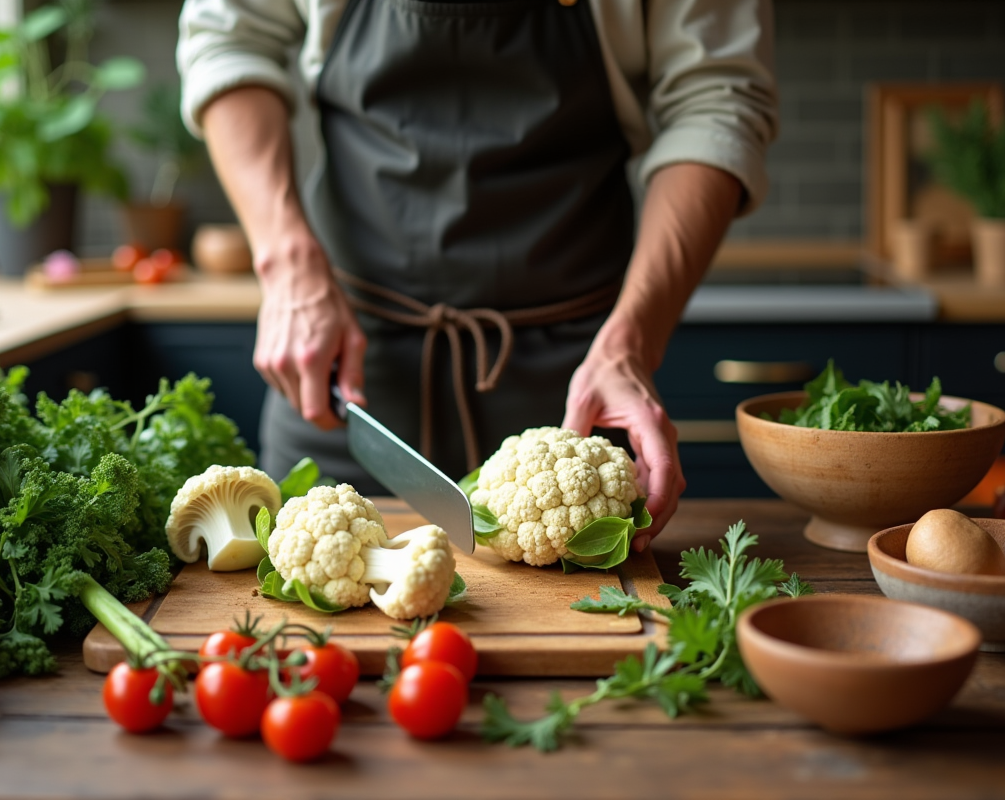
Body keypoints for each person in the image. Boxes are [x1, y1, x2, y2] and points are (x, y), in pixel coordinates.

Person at [177, 0, 778, 548]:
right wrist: (286, 263)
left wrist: (633, 343)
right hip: (342, 365)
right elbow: (230, 39)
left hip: (578, 385)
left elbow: (717, 97)